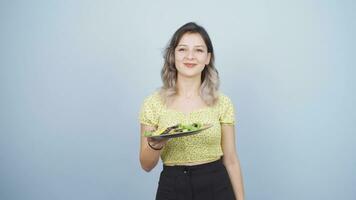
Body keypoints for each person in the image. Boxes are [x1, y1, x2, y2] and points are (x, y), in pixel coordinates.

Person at [139, 22, 245, 200]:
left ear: (208, 58)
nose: (190, 56)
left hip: (216, 186)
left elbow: (231, 159)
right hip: (172, 187)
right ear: (173, 55)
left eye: (198, 50)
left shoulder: (222, 102)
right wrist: (155, 144)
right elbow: (146, 165)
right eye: (182, 49)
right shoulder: (153, 103)